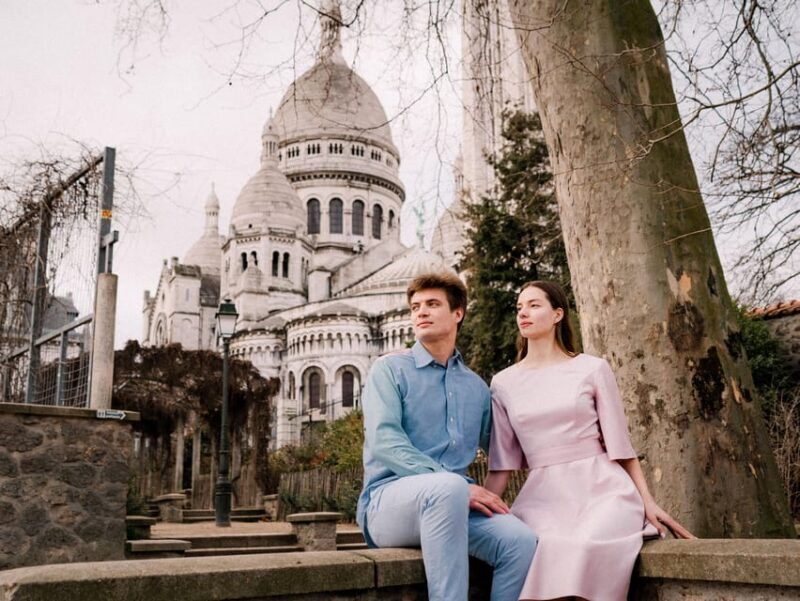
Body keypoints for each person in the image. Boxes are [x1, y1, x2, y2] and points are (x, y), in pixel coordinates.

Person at [485, 280, 694, 601]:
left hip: (604, 491)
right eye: (519, 307)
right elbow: (502, 463)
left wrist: (648, 502)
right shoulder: (503, 383)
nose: (523, 313)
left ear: (557, 315)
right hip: (543, 499)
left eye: (533, 305)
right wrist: (477, 513)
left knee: (582, 545)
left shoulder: (592, 369)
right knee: (548, 546)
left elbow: (620, 448)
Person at [357, 271, 538, 601]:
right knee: (451, 486)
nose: (420, 312)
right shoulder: (389, 370)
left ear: (458, 313)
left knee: (520, 541)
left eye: (432, 304)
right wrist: (457, 486)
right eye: (415, 307)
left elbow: (503, 447)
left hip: (455, 504)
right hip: (388, 504)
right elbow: (384, 442)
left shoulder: (477, 388)